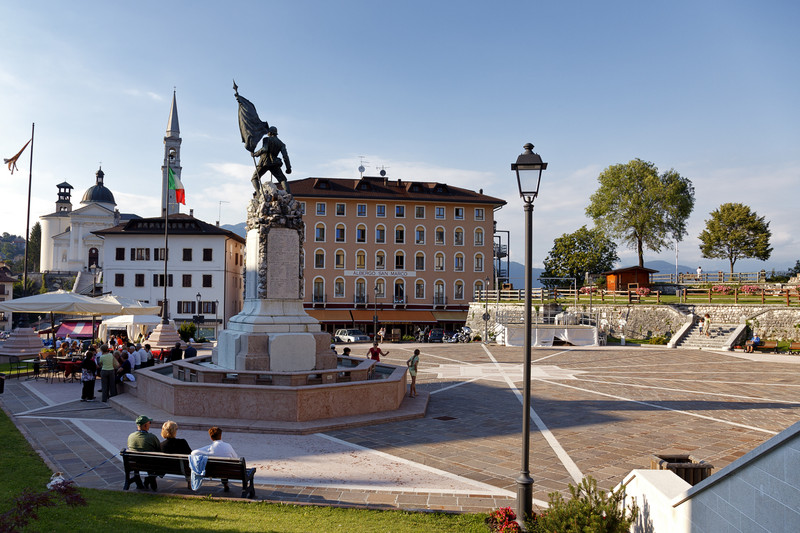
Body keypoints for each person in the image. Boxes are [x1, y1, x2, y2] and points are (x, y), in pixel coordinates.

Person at [251, 126, 292, 194]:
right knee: (283, 179)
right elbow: (285, 156)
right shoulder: (281, 143)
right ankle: (289, 195)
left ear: (270, 132)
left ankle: (258, 194)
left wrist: (255, 154)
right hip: (274, 163)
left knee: (254, 178)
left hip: (264, 162)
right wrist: (288, 168)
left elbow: (265, 149)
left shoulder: (266, 139)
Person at [127, 415, 161, 490]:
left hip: (135, 464)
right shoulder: (152, 437)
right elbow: (159, 449)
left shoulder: (131, 436)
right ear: (145, 425)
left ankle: (139, 484)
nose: (150, 424)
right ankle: (149, 481)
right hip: (150, 464)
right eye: (149, 423)